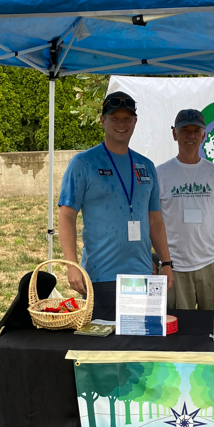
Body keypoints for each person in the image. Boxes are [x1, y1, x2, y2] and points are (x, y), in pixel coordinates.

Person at [58, 91, 174, 319]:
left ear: (135, 122)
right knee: (100, 351)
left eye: (127, 118)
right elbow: (66, 216)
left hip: (142, 276)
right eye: (115, 118)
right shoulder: (83, 163)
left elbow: (155, 221)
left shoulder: (146, 166)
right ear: (102, 121)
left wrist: (167, 263)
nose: (121, 124)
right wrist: (71, 265)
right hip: (100, 277)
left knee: (140, 349)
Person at [156, 108, 214, 310]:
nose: (190, 136)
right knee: (178, 328)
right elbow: (153, 221)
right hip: (174, 265)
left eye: (196, 130)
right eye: (185, 130)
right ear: (174, 133)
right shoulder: (160, 174)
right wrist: (162, 262)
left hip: (212, 264)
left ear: (204, 135)